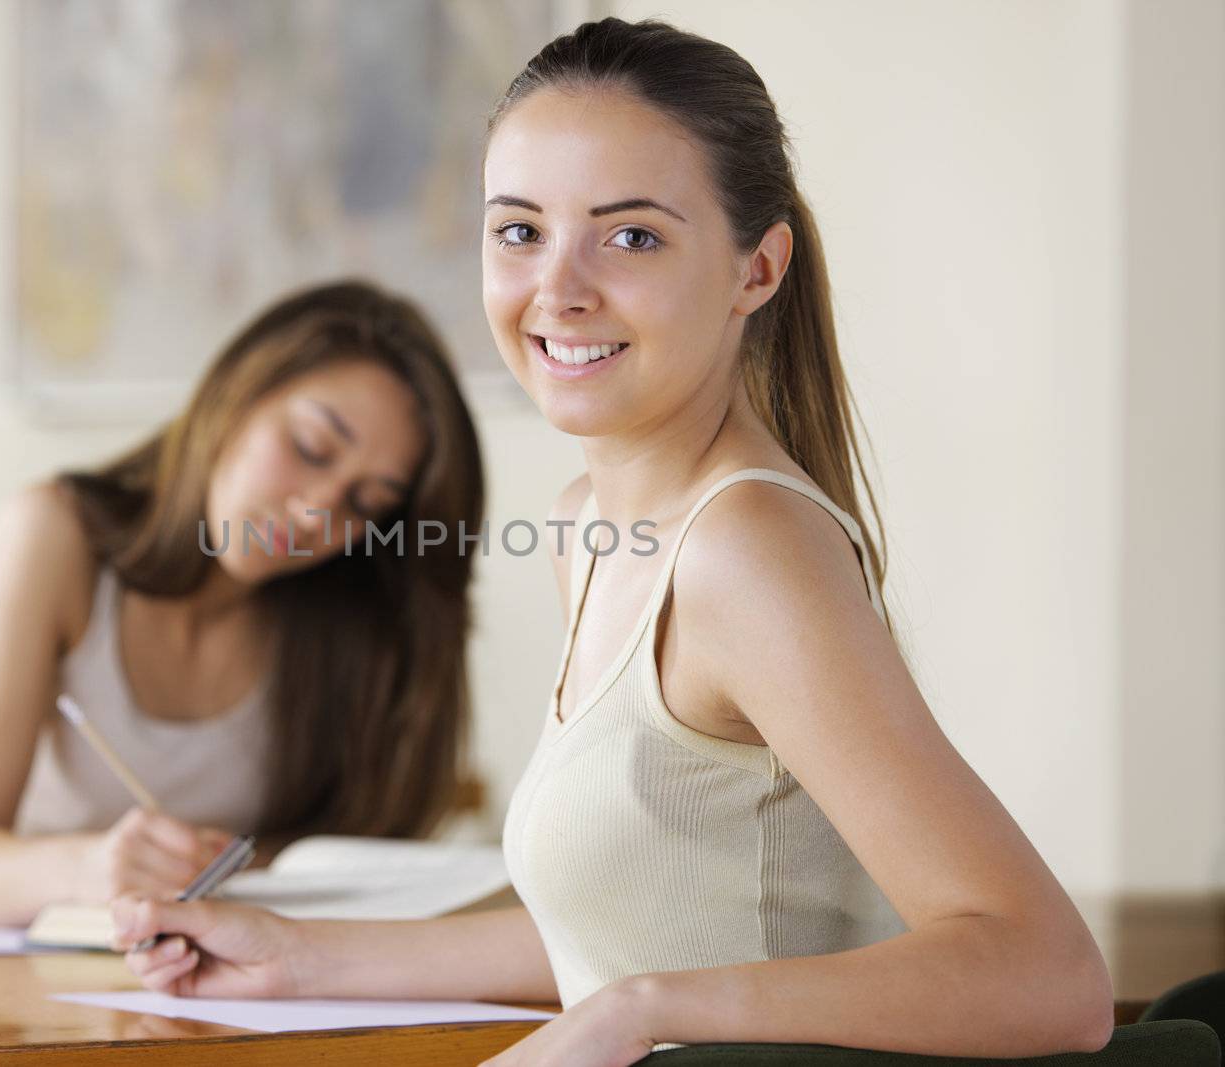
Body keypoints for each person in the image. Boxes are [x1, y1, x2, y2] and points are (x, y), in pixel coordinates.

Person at [110, 18, 1114, 1065]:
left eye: (630, 235)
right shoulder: (590, 528)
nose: (559, 288)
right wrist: (301, 953)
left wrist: (636, 1010)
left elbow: (1045, 974)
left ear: (755, 270)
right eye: (518, 231)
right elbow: (636, 932)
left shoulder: (745, 551)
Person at [0, 280, 485, 925]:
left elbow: (349, 862)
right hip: (33, 988)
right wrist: (94, 870)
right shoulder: (57, 536)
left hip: (234, 994)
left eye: (367, 503)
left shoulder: (345, 623)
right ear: (236, 391)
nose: (313, 510)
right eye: (309, 448)